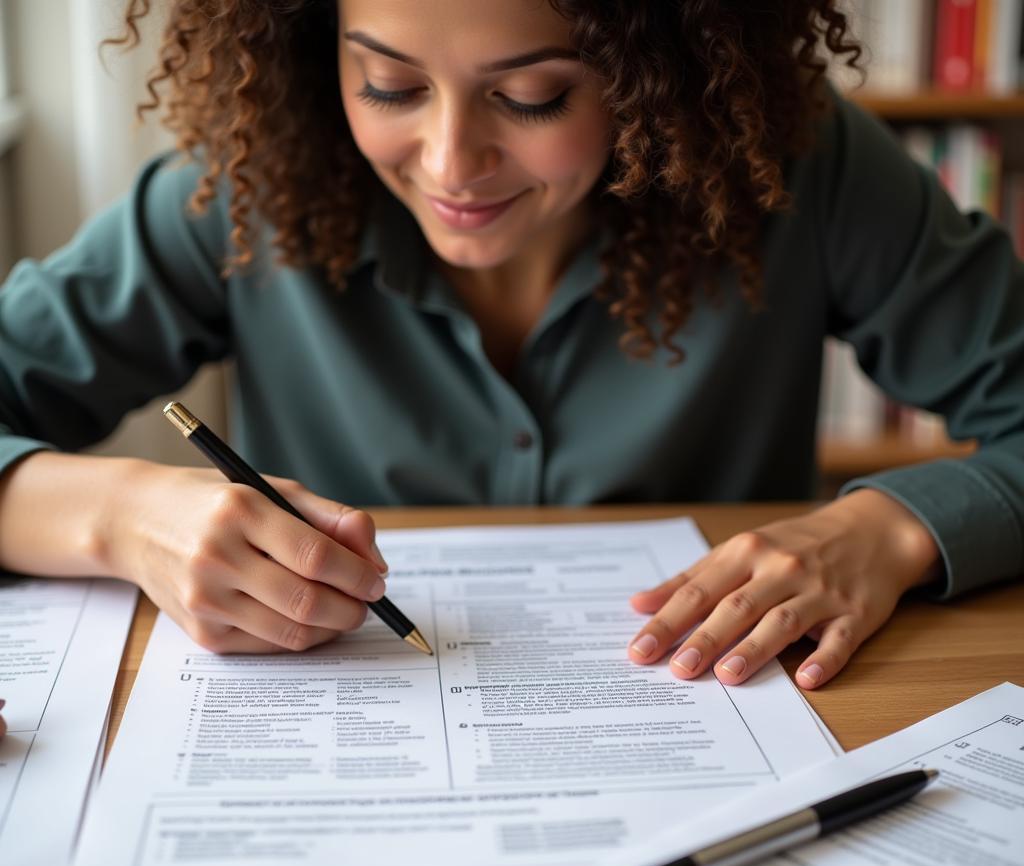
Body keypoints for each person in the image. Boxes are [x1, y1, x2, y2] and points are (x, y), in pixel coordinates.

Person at [0, 0, 1021, 693]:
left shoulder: (799, 166)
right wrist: (122, 518)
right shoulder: (239, 189)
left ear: (653, 68)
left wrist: (891, 534)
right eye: (390, 88)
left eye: (531, 98)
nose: (452, 162)